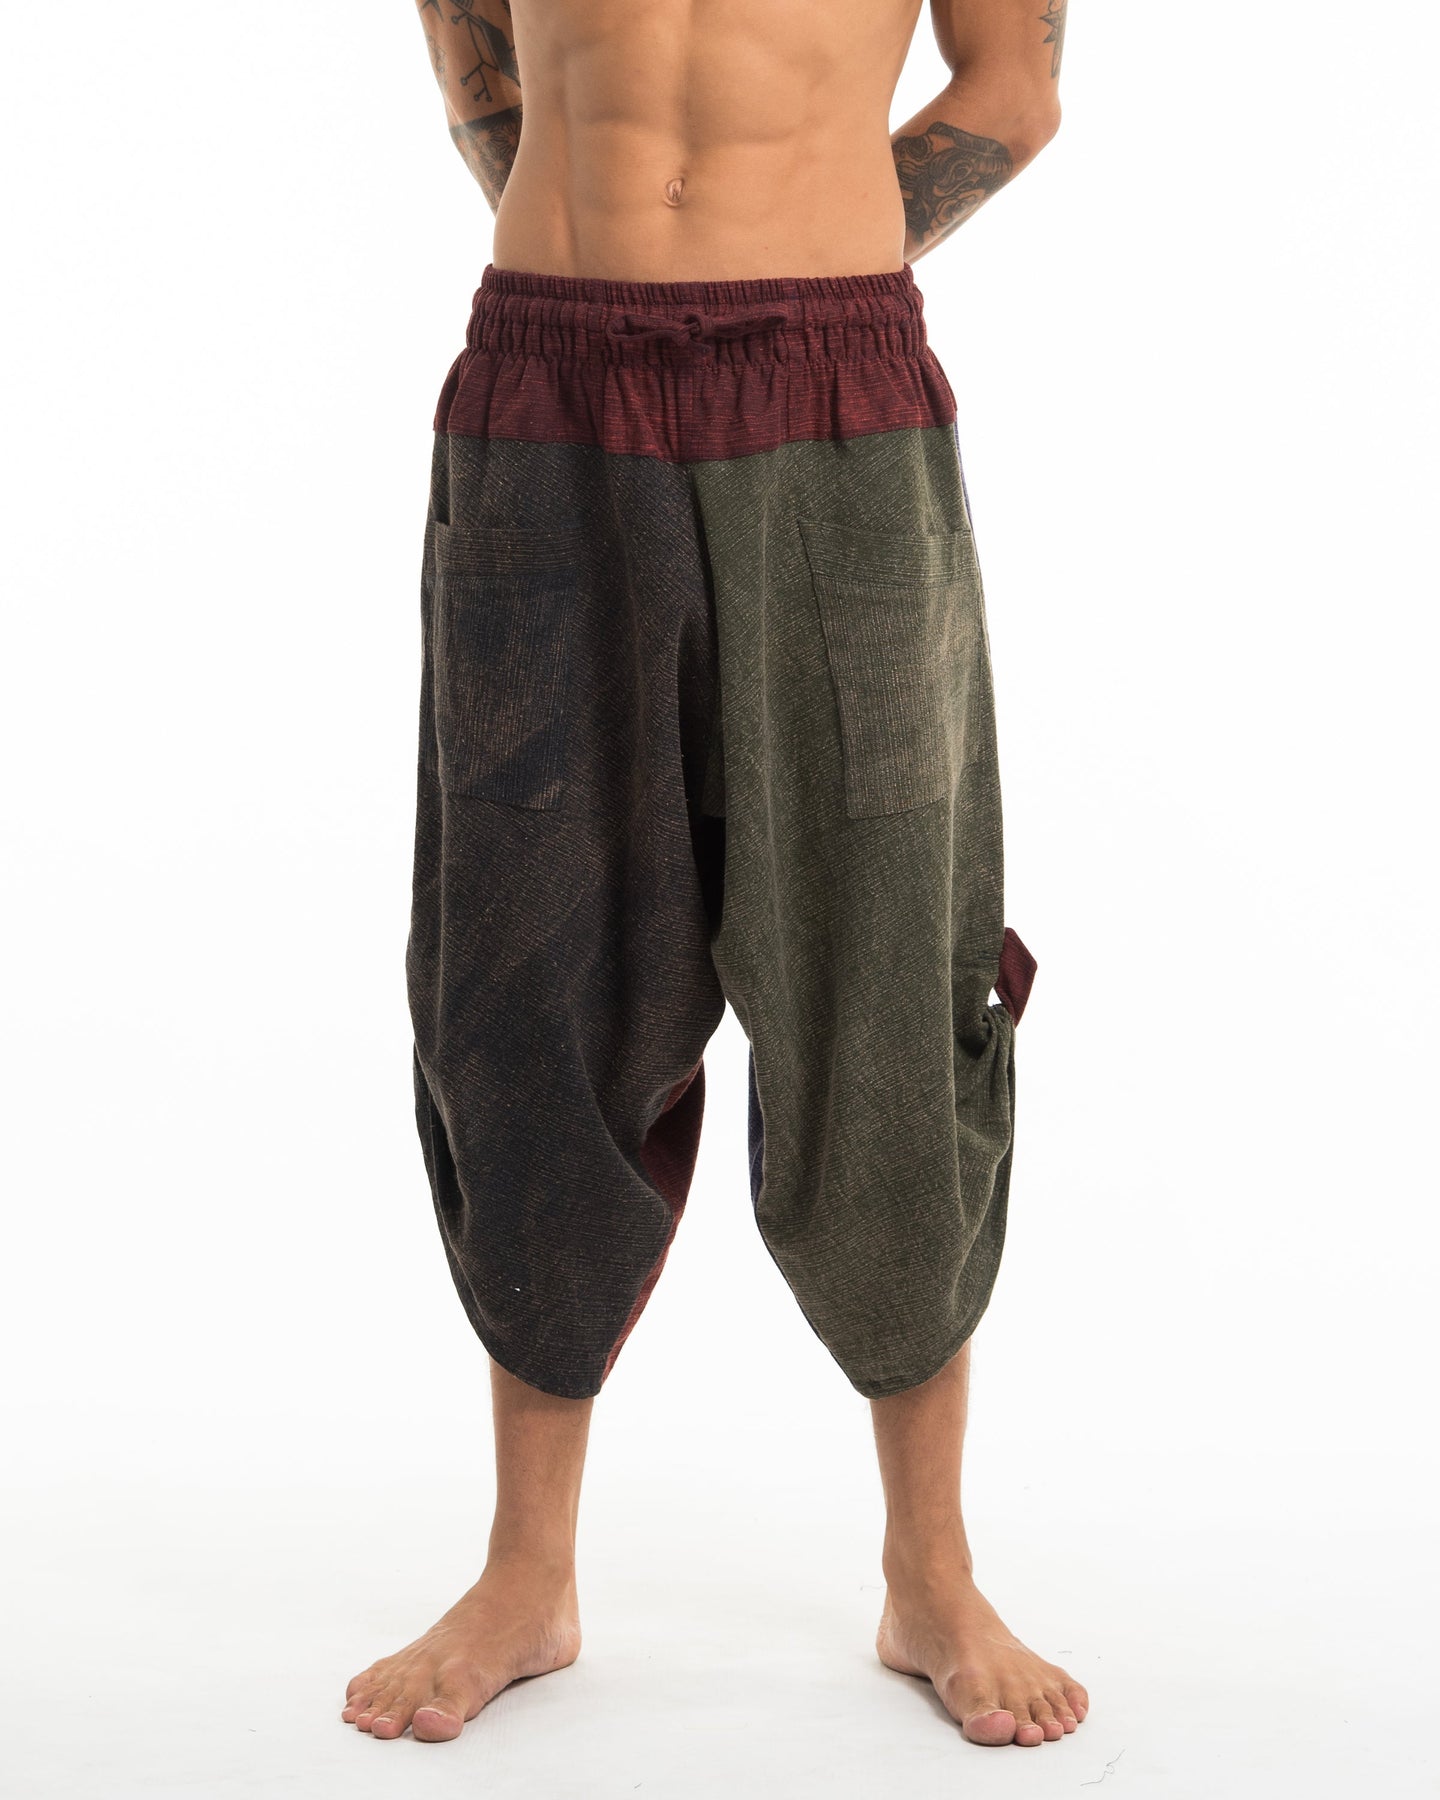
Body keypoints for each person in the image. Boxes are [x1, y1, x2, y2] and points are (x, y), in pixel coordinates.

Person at [343, 0, 1085, 1750]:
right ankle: (527, 1575)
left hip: (833, 390)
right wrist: (614, 264)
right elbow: (471, 47)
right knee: (524, 977)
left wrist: (787, 261)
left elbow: (1015, 87)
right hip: (546, 385)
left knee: (886, 974)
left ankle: (929, 1574)